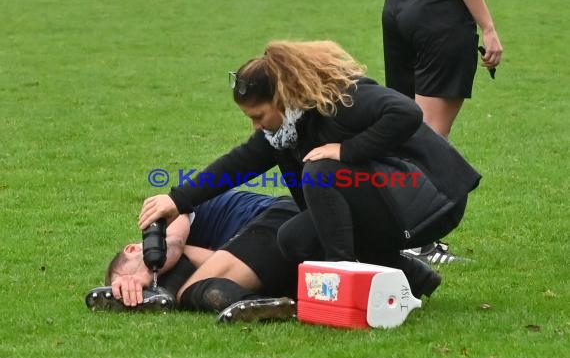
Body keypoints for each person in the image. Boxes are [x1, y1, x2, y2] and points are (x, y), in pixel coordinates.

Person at [138, 40, 482, 300]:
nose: (256, 126)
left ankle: (344, 285)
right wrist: (178, 200)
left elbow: (406, 113)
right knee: (293, 238)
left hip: (433, 200)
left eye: (258, 116)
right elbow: (238, 163)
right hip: (392, 202)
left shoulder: (342, 99)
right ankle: (412, 276)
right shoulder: (284, 129)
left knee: (319, 171)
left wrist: (347, 150)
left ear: (283, 97)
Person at [86, 190, 299, 322]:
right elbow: (230, 262)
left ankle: (261, 305)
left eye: (133, 282)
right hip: (280, 260)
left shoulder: (172, 209)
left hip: (282, 219)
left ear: (132, 249)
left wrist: (144, 274)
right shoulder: (201, 269)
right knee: (193, 287)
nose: (145, 283)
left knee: (186, 289)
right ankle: (276, 304)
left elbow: (175, 244)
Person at [381, 0, 503, 138]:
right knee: (430, 134)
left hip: (395, 9)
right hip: (438, 14)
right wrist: (488, 28)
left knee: (404, 126)